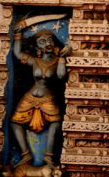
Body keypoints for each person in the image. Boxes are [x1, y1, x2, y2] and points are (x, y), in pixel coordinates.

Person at [10, 23, 69, 168]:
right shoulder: (34, 61)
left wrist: (62, 58)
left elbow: (61, 75)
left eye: (49, 40)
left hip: (47, 98)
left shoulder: (56, 61)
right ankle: (25, 154)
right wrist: (17, 35)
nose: (47, 43)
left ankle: (49, 157)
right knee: (14, 122)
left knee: (56, 123)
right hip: (30, 96)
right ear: (37, 47)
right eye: (42, 41)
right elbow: (17, 54)